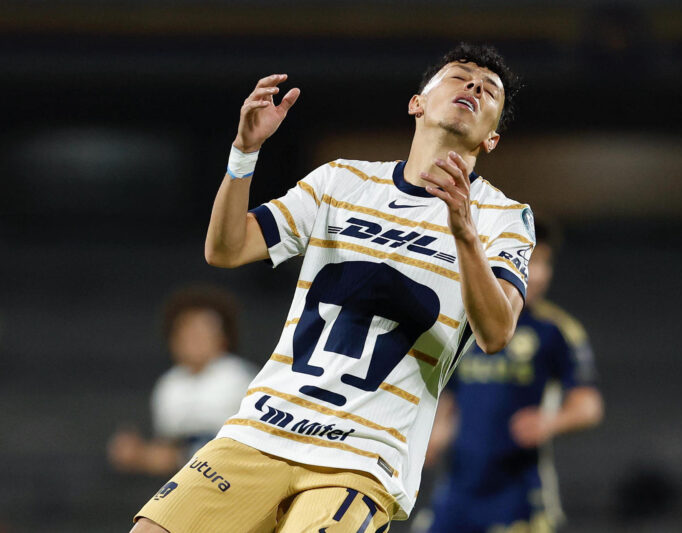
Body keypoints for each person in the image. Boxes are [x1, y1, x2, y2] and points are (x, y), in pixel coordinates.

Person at [132, 43, 533, 533]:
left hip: (363, 456)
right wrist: (245, 154)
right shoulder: (341, 181)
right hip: (264, 427)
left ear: (491, 139)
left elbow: (495, 333)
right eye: (460, 75)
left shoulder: (503, 217)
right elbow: (226, 249)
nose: (473, 86)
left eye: (489, 90)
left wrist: (465, 234)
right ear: (417, 102)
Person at [423, 218, 604, 533]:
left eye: (545, 263)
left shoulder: (556, 330)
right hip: (456, 492)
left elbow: (589, 406)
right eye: (529, 261)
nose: (540, 275)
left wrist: (551, 422)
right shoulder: (461, 325)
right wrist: (435, 436)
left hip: (518, 494)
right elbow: (452, 399)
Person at [108, 285, 256, 476]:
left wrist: (156, 457)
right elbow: (168, 449)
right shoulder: (169, 385)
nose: (194, 338)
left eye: (203, 330)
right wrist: (139, 453)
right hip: (188, 482)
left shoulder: (241, 378)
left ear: (223, 337)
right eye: (186, 331)